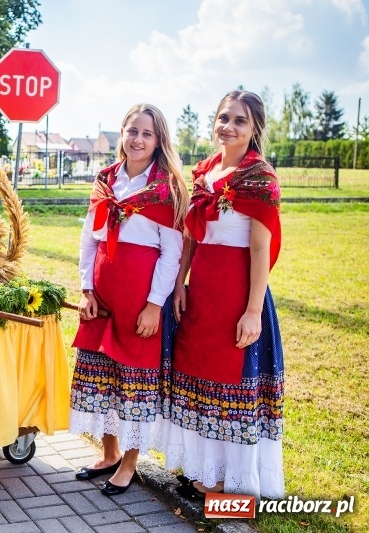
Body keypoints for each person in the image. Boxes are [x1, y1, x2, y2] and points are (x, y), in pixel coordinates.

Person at [158, 90, 284, 499]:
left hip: (237, 290)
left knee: (230, 383)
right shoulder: (204, 172)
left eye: (240, 120)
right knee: (198, 377)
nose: (228, 127)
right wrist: (180, 283)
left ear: (254, 129)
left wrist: (252, 311)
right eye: (223, 118)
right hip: (202, 292)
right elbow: (192, 234)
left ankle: (229, 484)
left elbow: (261, 248)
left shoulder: (260, 176)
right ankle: (202, 469)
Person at [70, 104, 189, 495]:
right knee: (103, 378)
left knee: (135, 382)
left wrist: (155, 304)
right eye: (132, 130)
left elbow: (172, 253)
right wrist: (87, 288)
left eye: (147, 134)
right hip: (103, 295)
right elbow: (91, 238)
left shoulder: (166, 189)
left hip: (140, 298)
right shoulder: (105, 180)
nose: (138, 139)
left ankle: (131, 463)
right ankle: (109, 453)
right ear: (121, 132)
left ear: (159, 142)